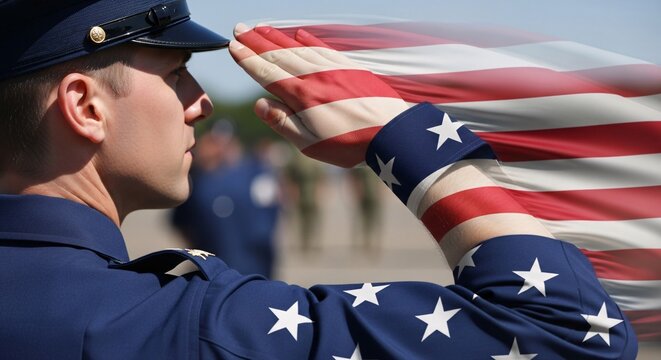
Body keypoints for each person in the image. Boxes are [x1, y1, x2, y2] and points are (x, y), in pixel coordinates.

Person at [0, 1, 637, 359]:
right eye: (173, 75)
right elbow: (568, 328)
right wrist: (408, 138)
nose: (200, 102)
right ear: (86, 107)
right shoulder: (190, 329)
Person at [171, 120, 279, 278]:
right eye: (214, 142)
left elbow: (270, 219)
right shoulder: (196, 179)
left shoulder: (256, 173)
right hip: (213, 270)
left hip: (254, 267)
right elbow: (181, 222)